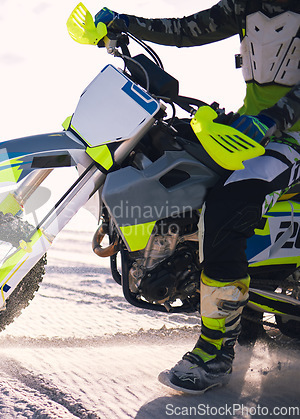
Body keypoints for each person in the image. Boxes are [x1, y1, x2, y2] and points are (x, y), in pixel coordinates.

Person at [95, 0, 300, 394]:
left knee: (226, 210)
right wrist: (123, 23)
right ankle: (238, 301)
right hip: (252, 130)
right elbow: (187, 29)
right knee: (175, 159)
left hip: (291, 139)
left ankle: (214, 353)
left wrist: (273, 120)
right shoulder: (248, 4)